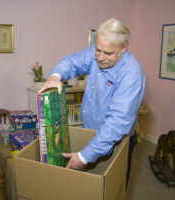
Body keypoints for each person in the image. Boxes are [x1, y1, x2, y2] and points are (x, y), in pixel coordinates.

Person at [38, 17, 146, 186]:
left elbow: (117, 122)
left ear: (124, 48)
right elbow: (72, 62)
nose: (100, 57)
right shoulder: (96, 53)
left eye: (108, 53)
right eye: (98, 50)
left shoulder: (131, 74)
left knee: (112, 185)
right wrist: (55, 76)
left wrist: (84, 156)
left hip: (115, 138)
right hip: (90, 130)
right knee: (87, 186)